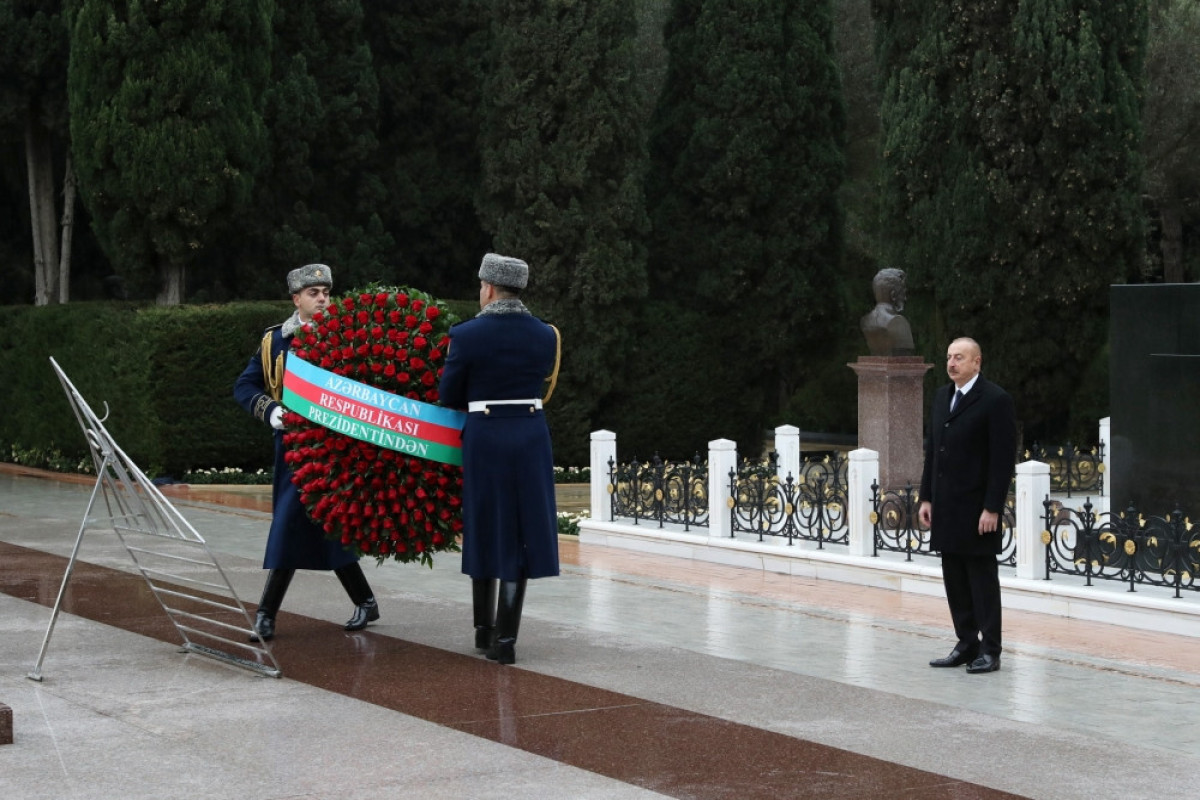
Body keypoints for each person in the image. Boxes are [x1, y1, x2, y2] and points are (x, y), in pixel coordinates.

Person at [233, 264, 380, 641]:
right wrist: (271, 409)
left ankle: (267, 614)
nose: (322, 299)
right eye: (313, 293)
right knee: (294, 523)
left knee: (327, 523)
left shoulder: (344, 337)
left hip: (333, 447)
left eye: (326, 293)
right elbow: (246, 385)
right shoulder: (274, 341)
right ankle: (362, 600)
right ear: (295, 299)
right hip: (293, 448)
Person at [437, 253, 561, 665]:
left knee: (485, 524)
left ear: (487, 288)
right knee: (521, 532)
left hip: (486, 436)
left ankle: (484, 631)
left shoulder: (468, 334)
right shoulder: (546, 335)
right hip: (529, 434)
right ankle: (506, 639)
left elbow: (449, 394)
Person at [918, 337, 1016, 674]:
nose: (952, 363)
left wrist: (992, 507)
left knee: (981, 579)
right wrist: (926, 498)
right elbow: (933, 451)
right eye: (948, 357)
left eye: (959, 357)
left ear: (977, 362)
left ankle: (990, 649)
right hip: (946, 506)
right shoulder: (942, 397)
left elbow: (1002, 461)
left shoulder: (995, 400)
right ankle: (966, 642)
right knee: (954, 578)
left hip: (977, 509)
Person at [860, 268, 915, 356]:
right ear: (893, 295)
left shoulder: (865, 321)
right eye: (903, 293)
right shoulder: (898, 322)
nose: (905, 298)